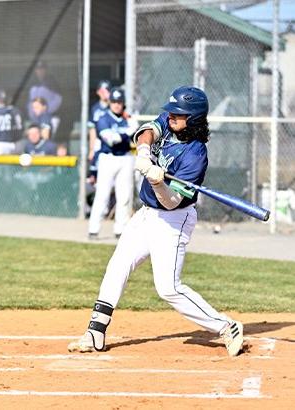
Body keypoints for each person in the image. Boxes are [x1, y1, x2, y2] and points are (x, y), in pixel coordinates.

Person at [68, 86, 244, 357]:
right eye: (171, 112)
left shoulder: (196, 156)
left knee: (168, 288)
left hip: (174, 220)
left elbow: (172, 201)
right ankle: (95, 331)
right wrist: (143, 152)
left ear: (193, 118)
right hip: (146, 214)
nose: (171, 116)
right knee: (118, 265)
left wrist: (157, 181)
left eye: (179, 114)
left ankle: (226, 326)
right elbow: (146, 132)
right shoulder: (170, 123)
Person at [87, 88, 137, 239]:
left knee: (125, 196)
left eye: (119, 102)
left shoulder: (128, 118)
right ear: (109, 103)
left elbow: (137, 132)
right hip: (108, 158)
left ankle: (120, 230)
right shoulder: (103, 118)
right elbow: (111, 139)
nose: (116, 105)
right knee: (102, 194)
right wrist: (129, 131)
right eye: (114, 102)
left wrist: (131, 125)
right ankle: (93, 229)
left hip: (126, 157)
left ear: (123, 104)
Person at [26, 61, 62, 134]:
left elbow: (58, 99)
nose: (40, 71)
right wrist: (33, 113)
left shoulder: (52, 82)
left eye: (42, 69)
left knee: (47, 138)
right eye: (38, 69)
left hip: (50, 117)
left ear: (46, 70)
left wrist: (45, 110)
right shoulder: (33, 84)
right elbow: (30, 102)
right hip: (36, 118)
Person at [87, 80, 112, 184]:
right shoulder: (95, 108)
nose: (104, 93)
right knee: (95, 172)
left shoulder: (114, 106)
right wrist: (91, 149)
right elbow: (92, 130)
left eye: (107, 90)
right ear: (98, 92)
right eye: (102, 91)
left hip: (112, 142)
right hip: (99, 141)